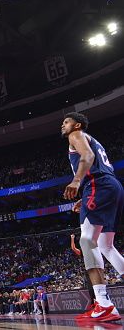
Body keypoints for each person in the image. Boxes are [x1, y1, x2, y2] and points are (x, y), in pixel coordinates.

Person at [62, 112, 124, 322]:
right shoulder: (93, 140)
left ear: (77, 124)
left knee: (87, 239)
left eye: (66, 122)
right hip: (111, 186)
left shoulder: (76, 135)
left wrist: (77, 181)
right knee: (106, 245)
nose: (63, 125)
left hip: (97, 185)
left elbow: (87, 157)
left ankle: (103, 303)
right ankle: (104, 303)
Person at [71, 233, 96, 312]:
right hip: (88, 270)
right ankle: (94, 304)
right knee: (91, 289)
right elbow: (73, 248)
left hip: (96, 268)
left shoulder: (94, 247)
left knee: (97, 287)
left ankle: (100, 303)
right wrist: (72, 239)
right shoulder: (83, 251)